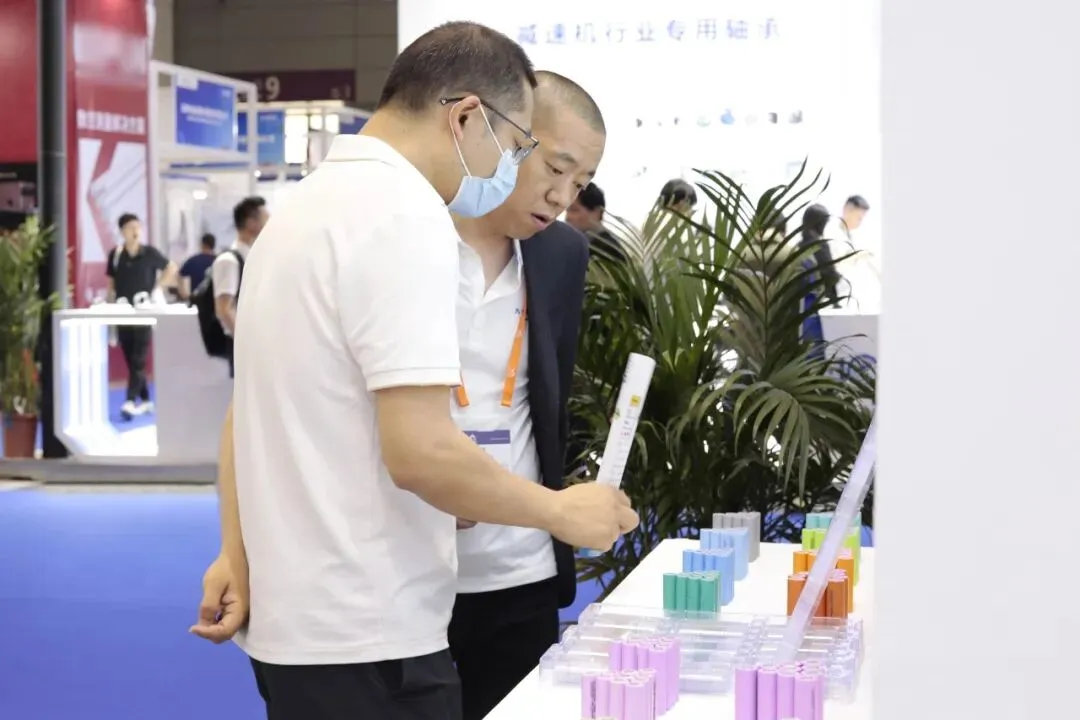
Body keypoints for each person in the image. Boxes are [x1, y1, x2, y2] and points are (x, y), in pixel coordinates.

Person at [189, 22, 637, 720]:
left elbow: (259, 410)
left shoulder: (302, 210)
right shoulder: (404, 216)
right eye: (521, 148)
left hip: (313, 621)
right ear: (467, 118)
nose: (548, 187)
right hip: (371, 624)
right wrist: (558, 511)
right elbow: (420, 452)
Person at [447, 71, 606, 720]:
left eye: (581, 184)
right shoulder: (407, 239)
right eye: (556, 168)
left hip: (522, 566)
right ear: (502, 135)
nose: (563, 197)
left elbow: (550, 395)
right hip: (409, 570)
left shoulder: (562, 253)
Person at [105, 213, 178, 419]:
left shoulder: (149, 253)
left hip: (144, 312)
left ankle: (129, 401)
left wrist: (158, 287)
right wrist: (109, 308)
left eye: (138, 226)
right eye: (130, 227)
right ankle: (145, 399)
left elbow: (171, 267)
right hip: (123, 312)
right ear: (122, 231)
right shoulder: (116, 255)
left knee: (139, 357)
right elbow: (111, 284)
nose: (135, 231)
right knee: (131, 358)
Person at [211, 197, 267, 340]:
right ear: (251, 223)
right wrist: (245, 342)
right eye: (266, 219)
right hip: (238, 343)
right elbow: (224, 310)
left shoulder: (251, 257)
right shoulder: (229, 261)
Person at [565, 181, 625, 262]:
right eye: (567, 210)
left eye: (574, 210)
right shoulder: (578, 246)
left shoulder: (608, 251)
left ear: (597, 213)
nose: (568, 217)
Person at [178, 233, 216, 300]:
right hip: (214, 300)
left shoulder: (193, 260)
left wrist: (183, 293)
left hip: (197, 300)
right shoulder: (218, 261)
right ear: (213, 245)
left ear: (202, 244)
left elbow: (180, 275)